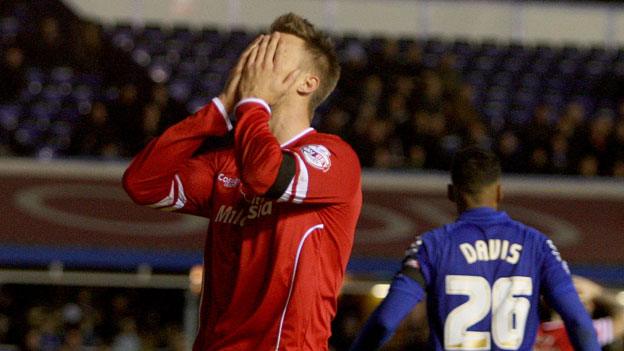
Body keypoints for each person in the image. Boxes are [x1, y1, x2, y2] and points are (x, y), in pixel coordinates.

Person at [123, 13, 362, 351]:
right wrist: (221, 108)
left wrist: (252, 104)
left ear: (307, 83)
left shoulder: (335, 158)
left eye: (274, 54)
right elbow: (142, 183)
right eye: (259, 49)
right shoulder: (226, 163)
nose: (257, 62)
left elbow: (266, 175)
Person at [349, 147, 599, 351]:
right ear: (499, 192)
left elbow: (384, 321)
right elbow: (579, 323)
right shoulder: (538, 245)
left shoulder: (432, 246)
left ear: (451, 193)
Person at [535, 275, 624, 350]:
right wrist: (596, 291)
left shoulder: (532, 329)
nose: (591, 306)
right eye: (585, 303)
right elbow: (622, 319)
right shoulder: (579, 331)